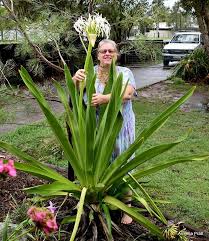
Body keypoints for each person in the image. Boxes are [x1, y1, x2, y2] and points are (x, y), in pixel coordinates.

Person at [72, 39, 136, 224]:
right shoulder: (88, 72)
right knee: (101, 162)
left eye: (111, 51)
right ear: (97, 55)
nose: (107, 54)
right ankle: (103, 199)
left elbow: (128, 94)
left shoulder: (124, 73)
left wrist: (104, 98)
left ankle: (127, 207)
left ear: (116, 54)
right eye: (103, 51)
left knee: (122, 162)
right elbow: (79, 97)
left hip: (120, 127)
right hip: (96, 127)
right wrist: (75, 82)